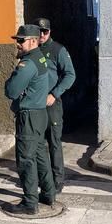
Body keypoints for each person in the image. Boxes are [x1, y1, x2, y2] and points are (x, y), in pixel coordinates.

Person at [3, 24, 57, 215]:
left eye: (20, 40)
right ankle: (49, 193)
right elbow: (51, 79)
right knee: (41, 154)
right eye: (17, 40)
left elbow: (11, 90)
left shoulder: (28, 63)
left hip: (29, 115)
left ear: (33, 41)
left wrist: (11, 81)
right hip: (40, 112)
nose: (17, 44)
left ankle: (29, 202)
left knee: (26, 158)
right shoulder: (41, 58)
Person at [33, 18, 76, 195]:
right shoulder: (32, 50)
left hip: (51, 103)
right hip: (35, 104)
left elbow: (70, 75)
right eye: (39, 32)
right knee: (37, 142)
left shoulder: (58, 50)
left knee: (53, 142)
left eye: (45, 31)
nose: (42, 35)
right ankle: (39, 177)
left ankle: (58, 179)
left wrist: (55, 93)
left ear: (50, 32)